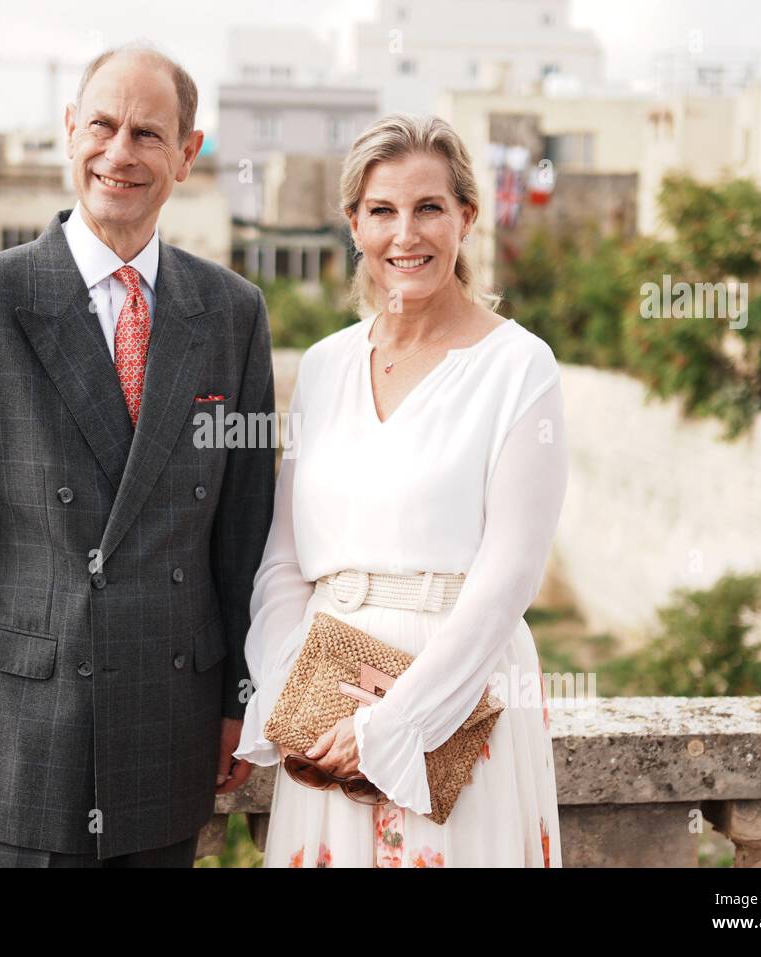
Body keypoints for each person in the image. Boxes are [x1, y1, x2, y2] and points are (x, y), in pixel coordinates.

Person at [0, 43, 274, 867]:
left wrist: (243, 694)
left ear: (187, 154)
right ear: (70, 132)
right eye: (102, 125)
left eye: (147, 133)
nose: (120, 152)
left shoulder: (233, 313)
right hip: (17, 737)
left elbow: (245, 533)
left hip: (170, 725)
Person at [233, 113, 569, 867]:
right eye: (382, 210)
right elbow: (284, 559)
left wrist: (394, 725)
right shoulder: (323, 365)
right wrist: (292, 691)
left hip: (458, 705)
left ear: (466, 218)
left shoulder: (519, 367)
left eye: (429, 208)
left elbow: (508, 576)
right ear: (354, 223)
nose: (404, 234)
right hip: (326, 703)